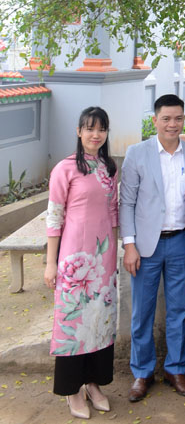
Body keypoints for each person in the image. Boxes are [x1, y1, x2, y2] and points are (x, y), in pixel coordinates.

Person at [119, 94, 185, 402]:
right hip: (145, 246)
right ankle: (141, 372)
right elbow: (126, 202)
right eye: (166, 118)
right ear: (154, 120)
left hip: (182, 242)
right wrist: (129, 245)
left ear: (183, 120)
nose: (172, 124)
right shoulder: (137, 154)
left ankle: (176, 369)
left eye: (178, 118)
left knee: (179, 310)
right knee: (143, 312)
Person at [44, 107, 118, 420]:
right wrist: (51, 263)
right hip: (74, 259)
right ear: (78, 132)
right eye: (89, 129)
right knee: (72, 324)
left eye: (101, 129)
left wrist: (115, 253)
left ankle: (94, 382)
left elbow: (114, 214)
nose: (95, 135)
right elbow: (54, 216)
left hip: (103, 260)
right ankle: (72, 389)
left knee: (101, 321)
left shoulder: (109, 167)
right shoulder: (65, 169)